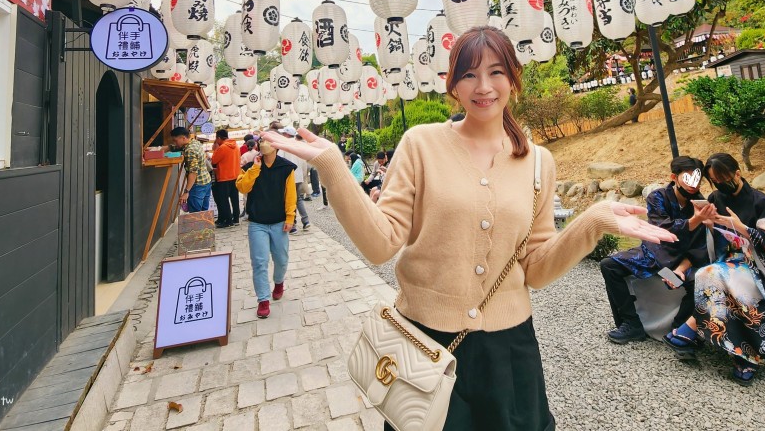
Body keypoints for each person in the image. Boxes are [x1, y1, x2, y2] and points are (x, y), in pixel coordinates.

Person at [261, 26, 674, 429]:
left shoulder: (538, 163)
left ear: (514, 78)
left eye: (496, 71)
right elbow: (381, 244)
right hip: (425, 341)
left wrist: (592, 223)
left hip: (510, 349)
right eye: (469, 74)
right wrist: (333, 166)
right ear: (452, 85)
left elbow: (536, 270)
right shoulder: (421, 144)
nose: (484, 86)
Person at [666, 152, 765, 385]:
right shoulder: (716, 199)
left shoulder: (761, 202)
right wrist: (710, 224)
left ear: (737, 174)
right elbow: (714, 239)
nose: (721, 185)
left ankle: (696, 331)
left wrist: (741, 227)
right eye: (715, 181)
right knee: (707, 273)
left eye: (724, 179)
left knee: (728, 284)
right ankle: (742, 355)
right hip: (734, 264)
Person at [599, 155, 714, 346]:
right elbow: (662, 229)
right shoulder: (657, 197)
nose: (693, 185)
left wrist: (681, 269)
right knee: (609, 266)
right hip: (652, 255)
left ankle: (678, 331)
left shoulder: (700, 205)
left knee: (701, 283)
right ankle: (631, 323)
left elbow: (699, 247)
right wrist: (695, 220)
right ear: (674, 177)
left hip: (679, 262)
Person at [236, 128, 298, 319]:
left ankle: (278, 282)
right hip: (257, 223)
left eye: (268, 140)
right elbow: (242, 187)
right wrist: (255, 169)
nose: (263, 143)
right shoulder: (250, 167)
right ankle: (263, 299)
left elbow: (291, 195)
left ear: (276, 146)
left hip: (279, 222)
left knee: (281, 259)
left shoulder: (286, 168)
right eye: (261, 140)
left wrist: (290, 217)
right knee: (260, 262)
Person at [278, 126, 311, 233]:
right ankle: (305, 221)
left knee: (289, 200)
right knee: (298, 199)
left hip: (289, 177)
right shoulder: (299, 145)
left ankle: (293, 225)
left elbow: (279, 160)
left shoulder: (284, 146)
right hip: (299, 176)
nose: (282, 135)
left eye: (283, 134)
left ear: (287, 135)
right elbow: (304, 162)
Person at [172, 127, 212, 213]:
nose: (175, 143)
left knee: (195, 216)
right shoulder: (195, 142)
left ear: (183, 138)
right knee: (203, 214)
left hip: (198, 185)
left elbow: (193, 172)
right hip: (206, 181)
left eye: (175, 141)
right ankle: (205, 227)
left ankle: (200, 227)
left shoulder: (190, 150)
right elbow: (179, 148)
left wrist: (186, 192)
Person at [210, 129, 241, 228]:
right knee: (234, 198)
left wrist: (215, 149)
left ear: (219, 138)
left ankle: (228, 221)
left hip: (224, 177)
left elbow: (214, 160)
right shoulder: (236, 146)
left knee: (223, 200)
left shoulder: (222, 148)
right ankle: (236, 218)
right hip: (235, 175)